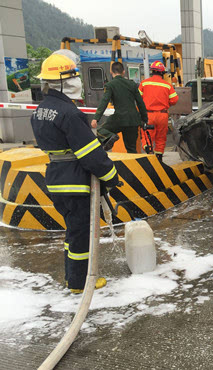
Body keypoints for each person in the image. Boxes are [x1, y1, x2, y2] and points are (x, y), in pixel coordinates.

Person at [30, 54, 120, 293]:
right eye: (73, 77)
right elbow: (90, 154)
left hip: (57, 179)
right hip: (76, 182)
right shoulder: (70, 113)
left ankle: (72, 277)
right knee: (81, 234)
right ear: (61, 81)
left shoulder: (40, 110)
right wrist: (111, 177)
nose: (77, 81)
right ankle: (81, 283)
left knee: (73, 231)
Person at [91, 62, 148, 153]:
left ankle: (111, 136)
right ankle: (135, 166)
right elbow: (140, 103)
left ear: (111, 72)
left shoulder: (110, 85)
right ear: (124, 72)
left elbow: (104, 102)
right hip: (133, 120)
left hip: (119, 119)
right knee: (131, 149)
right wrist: (144, 119)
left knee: (101, 130)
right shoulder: (132, 84)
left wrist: (96, 118)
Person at [138, 61, 179, 161]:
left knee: (147, 137)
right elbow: (174, 100)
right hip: (162, 115)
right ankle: (159, 159)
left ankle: (149, 154)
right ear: (162, 73)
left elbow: (138, 98)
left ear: (152, 71)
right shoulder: (167, 85)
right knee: (161, 138)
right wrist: (166, 104)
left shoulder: (144, 83)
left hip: (148, 115)